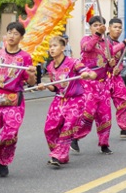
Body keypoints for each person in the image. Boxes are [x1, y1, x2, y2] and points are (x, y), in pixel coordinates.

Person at [0, 21, 36, 178]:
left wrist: (31, 73)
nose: (11, 36)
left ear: (21, 37)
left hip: (14, 101)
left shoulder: (25, 57)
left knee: (10, 133)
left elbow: (31, 82)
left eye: (16, 33)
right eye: (9, 32)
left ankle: (3, 161)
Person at [39, 36, 97, 167]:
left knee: (68, 127)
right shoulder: (50, 66)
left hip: (75, 101)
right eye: (50, 46)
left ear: (63, 48)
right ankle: (59, 154)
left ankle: (58, 156)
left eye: (55, 46)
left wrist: (87, 74)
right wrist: (46, 85)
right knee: (49, 129)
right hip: (59, 100)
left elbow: (91, 74)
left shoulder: (73, 62)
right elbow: (55, 87)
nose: (52, 49)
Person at [72, 15, 116, 154]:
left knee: (105, 114)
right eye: (95, 25)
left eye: (100, 25)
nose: (98, 27)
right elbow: (87, 49)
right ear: (90, 27)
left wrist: (112, 65)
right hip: (88, 83)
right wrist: (97, 35)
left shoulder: (108, 44)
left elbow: (109, 66)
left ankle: (104, 143)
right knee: (88, 113)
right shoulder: (86, 40)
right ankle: (75, 137)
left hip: (103, 84)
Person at [106, 18, 126, 138]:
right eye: (115, 27)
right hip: (103, 78)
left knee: (124, 100)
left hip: (116, 77)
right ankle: (75, 136)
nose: (118, 30)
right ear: (109, 28)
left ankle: (124, 127)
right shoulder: (105, 41)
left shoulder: (119, 42)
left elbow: (120, 61)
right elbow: (110, 51)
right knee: (96, 108)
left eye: (120, 27)